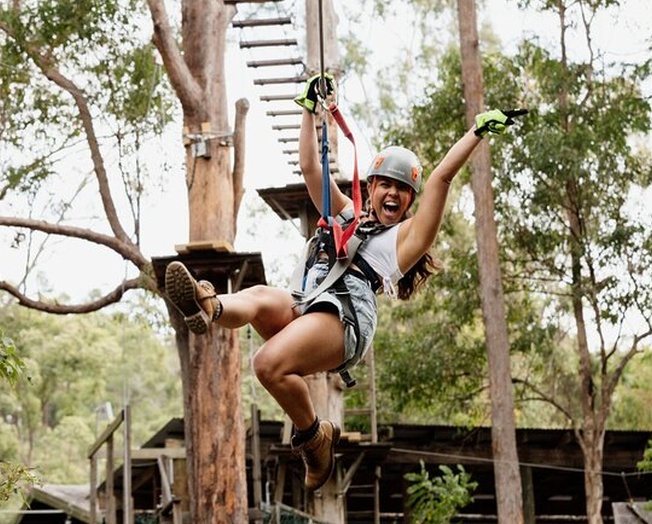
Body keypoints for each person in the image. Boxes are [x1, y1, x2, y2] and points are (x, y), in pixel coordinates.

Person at [163, 74, 523, 491]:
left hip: (346, 319)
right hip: (308, 302)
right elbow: (310, 167)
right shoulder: (348, 213)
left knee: (265, 364)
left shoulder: (405, 240)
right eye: (385, 184)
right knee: (260, 296)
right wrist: (308, 108)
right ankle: (208, 306)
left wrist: (476, 132)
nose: (392, 194)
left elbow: (441, 178)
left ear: (409, 201)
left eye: (402, 190)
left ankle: (315, 437)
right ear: (370, 188)